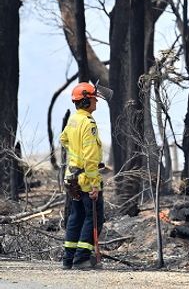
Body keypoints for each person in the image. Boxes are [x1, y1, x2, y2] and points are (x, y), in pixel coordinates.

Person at [60, 82, 106, 270]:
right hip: (86, 180)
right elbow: (90, 157)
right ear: (86, 101)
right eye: (94, 98)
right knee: (93, 216)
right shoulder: (88, 123)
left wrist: (75, 156)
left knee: (75, 216)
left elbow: (63, 139)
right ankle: (81, 259)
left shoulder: (73, 119)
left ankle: (68, 259)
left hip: (72, 177)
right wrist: (95, 184)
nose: (96, 102)